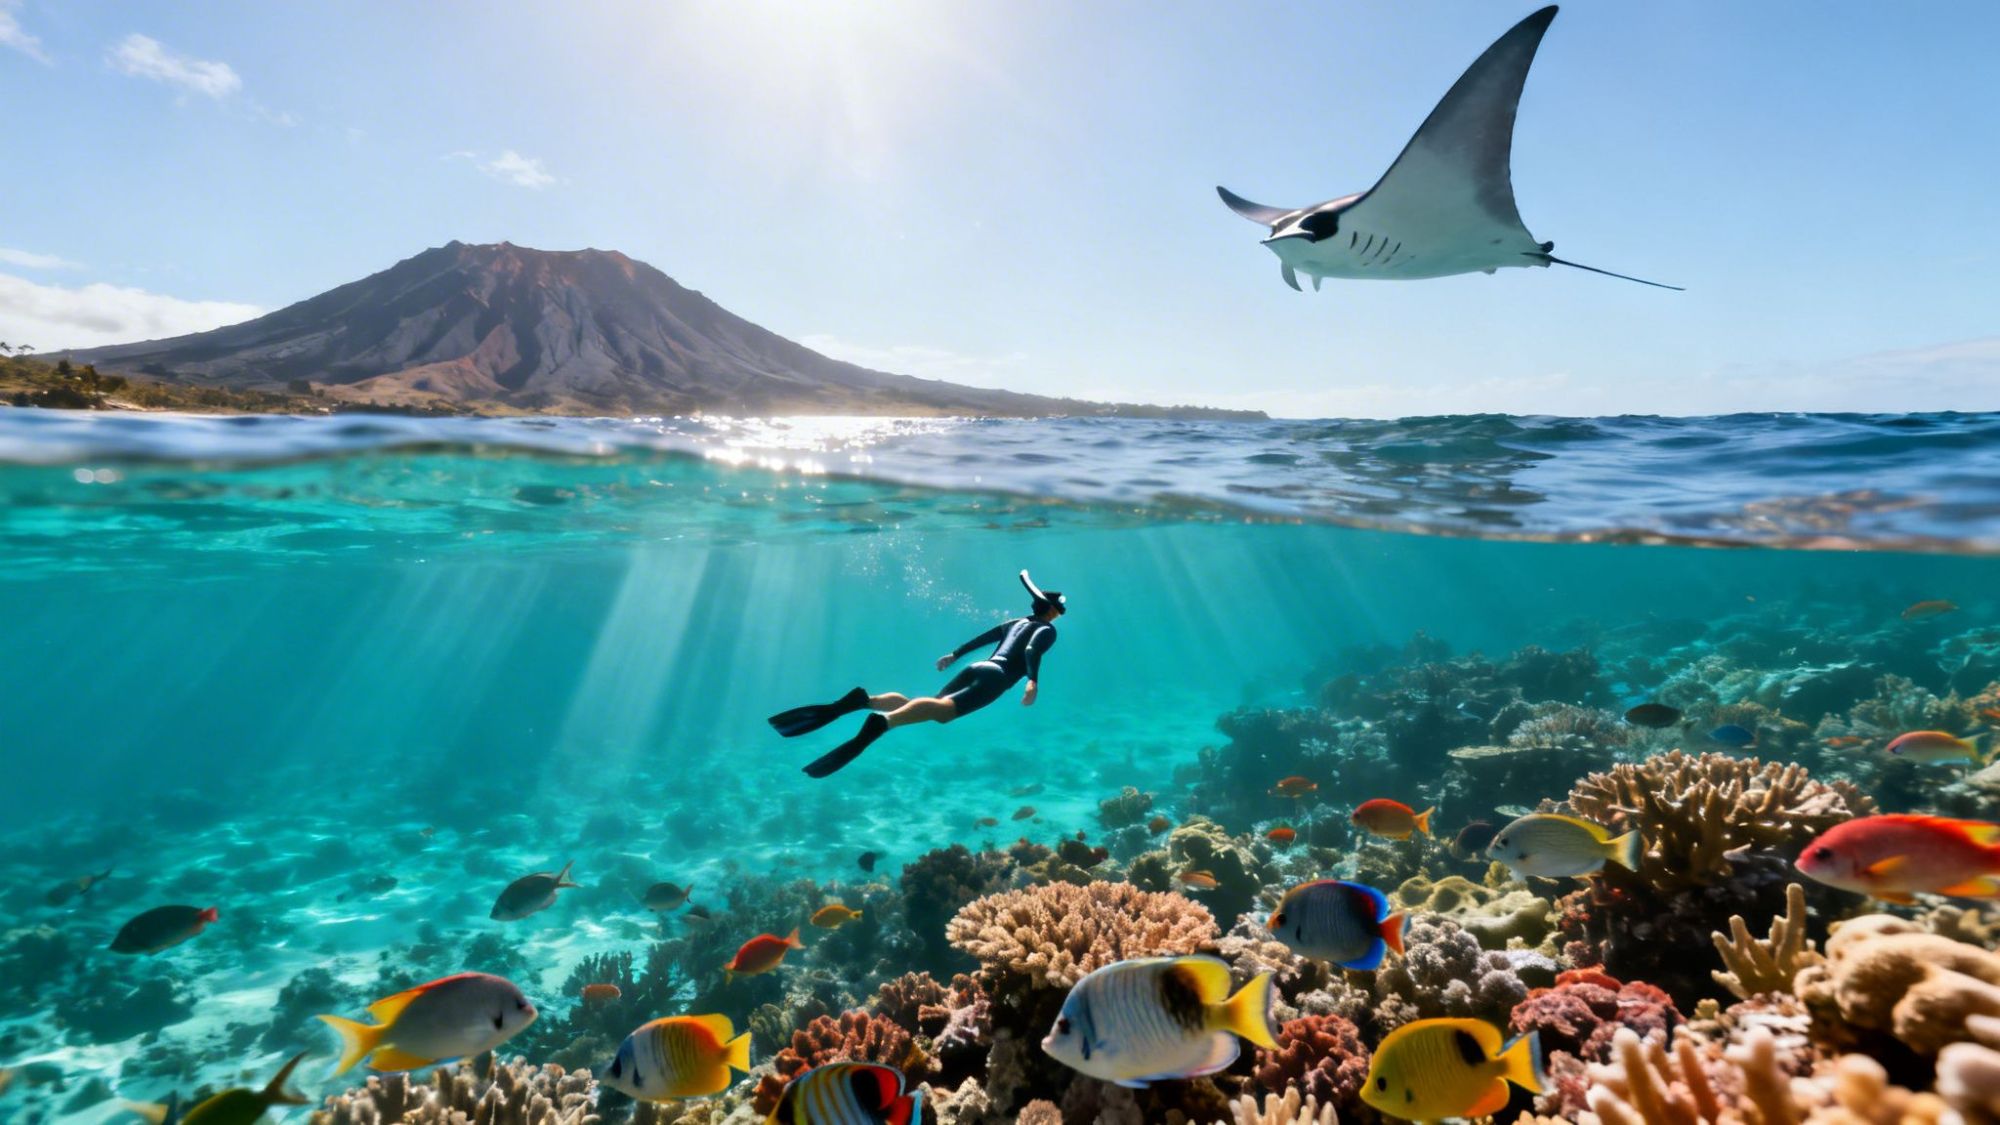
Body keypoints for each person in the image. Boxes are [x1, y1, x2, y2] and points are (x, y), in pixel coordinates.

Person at [769, 570, 1066, 778]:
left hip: (978, 667)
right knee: (943, 713)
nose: (1059, 614)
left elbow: (981, 639)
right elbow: (1030, 651)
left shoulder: (1014, 621)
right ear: (1051, 610)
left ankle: (865, 701)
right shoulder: (1047, 630)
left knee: (925, 705)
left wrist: (954, 655)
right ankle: (883, 723)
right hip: (997, 678)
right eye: (1059, 609)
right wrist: (1032, 681)